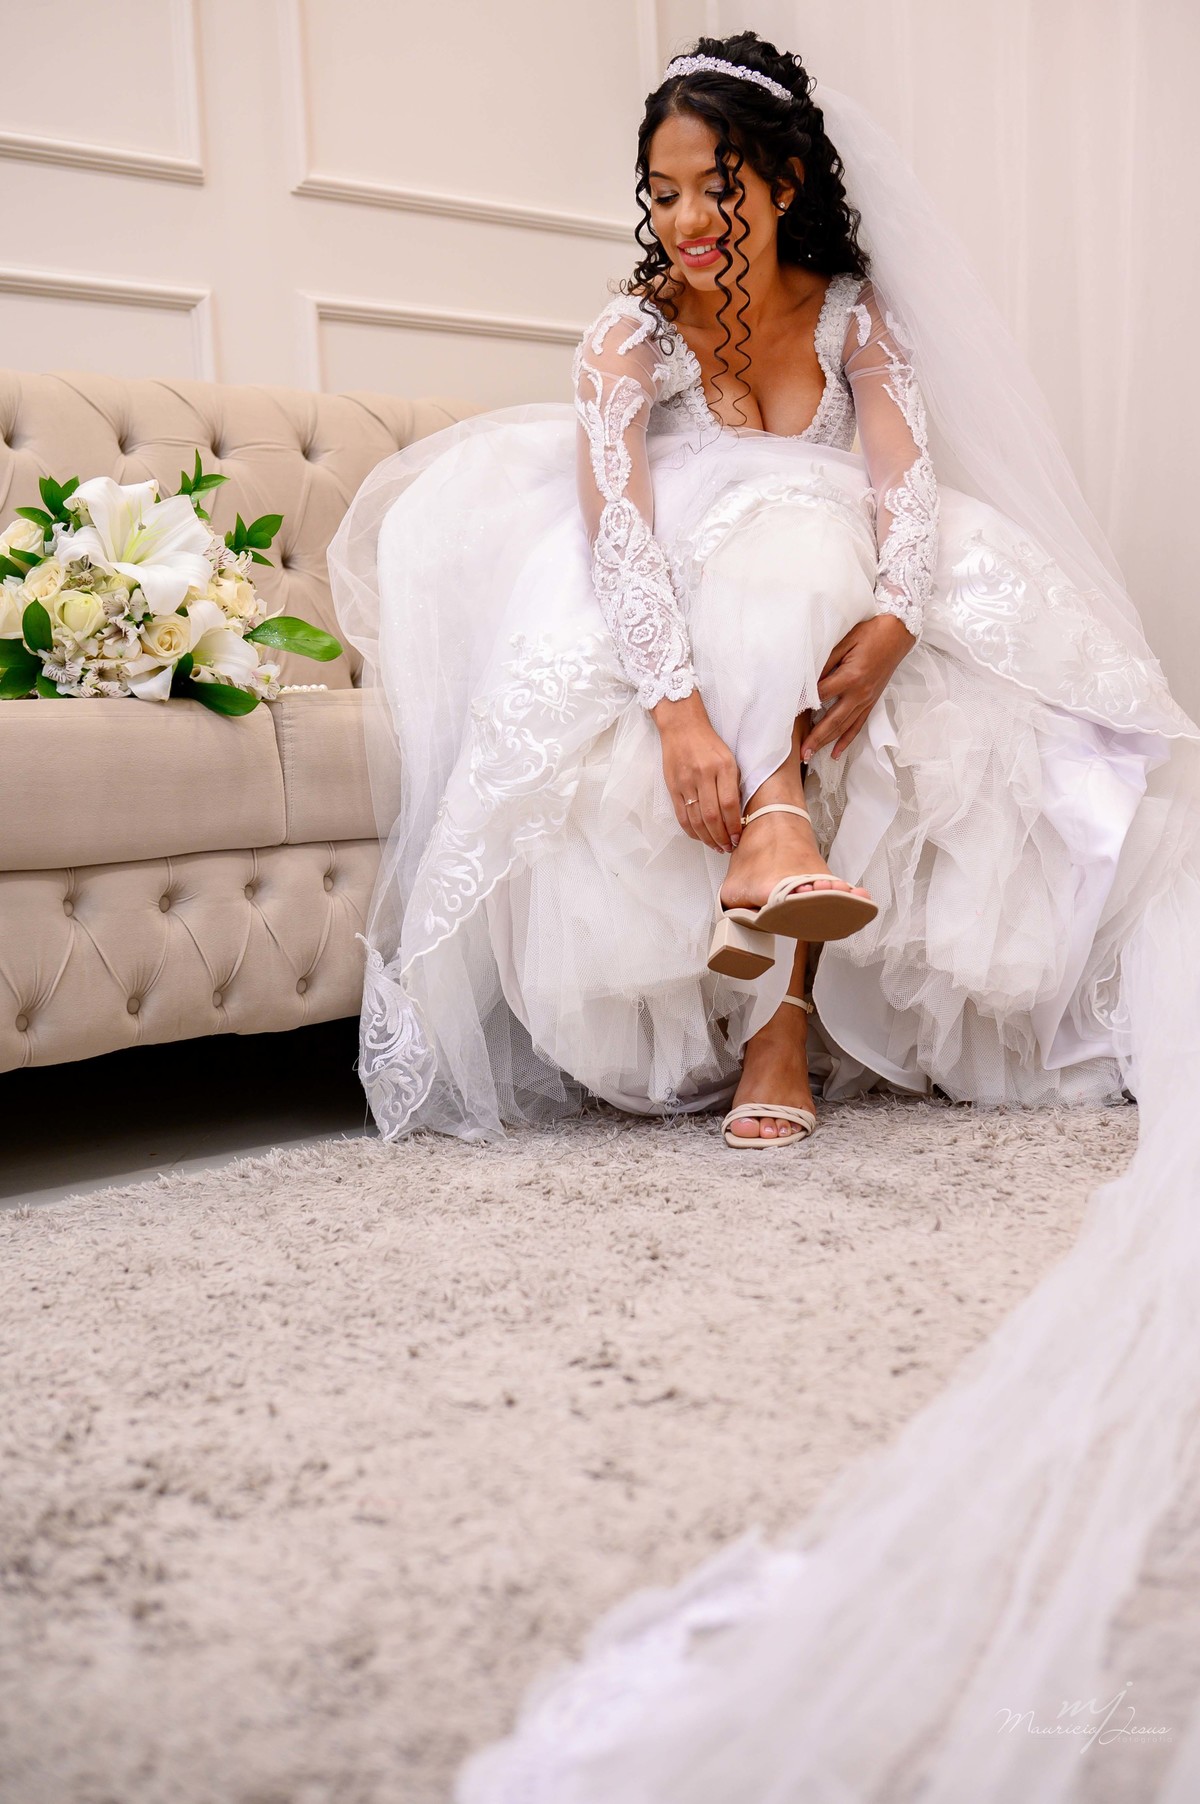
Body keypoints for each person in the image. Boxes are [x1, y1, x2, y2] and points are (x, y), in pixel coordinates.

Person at [330, 32, 1200, 1802]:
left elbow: (903, 500)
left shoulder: (857, 323)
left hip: (834, 593)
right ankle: (777, 910)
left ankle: (781, 969)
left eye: (705, 186)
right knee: (760, 575)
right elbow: (620, 537)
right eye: (656, 193)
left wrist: (892, 626)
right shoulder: (630, 339)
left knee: (842, 574)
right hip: (681, 593)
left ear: (782, 179)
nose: (679, 220)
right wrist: (674, 718)